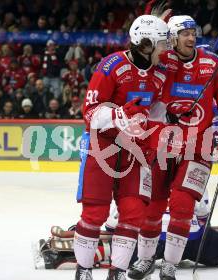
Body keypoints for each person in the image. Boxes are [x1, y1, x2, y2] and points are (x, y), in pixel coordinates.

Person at [128, 15, 218, 280]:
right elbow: (142, 82)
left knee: (182, 205)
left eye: (194, 33)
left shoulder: (212, 63)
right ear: (172, 37)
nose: (192, 37)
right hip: (161, 145)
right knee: (152, 206)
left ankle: (170, 264)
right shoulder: (161, 61)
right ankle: (145, 260)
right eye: (185, 33)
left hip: (198, 147)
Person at [74, 15, 168, 280]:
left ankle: (117, 272)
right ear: (146, 44)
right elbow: (89, 113)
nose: (166, 50)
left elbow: (157, 110)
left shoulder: (160, 73)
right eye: (162, 44)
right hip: (101, 146)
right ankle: (83, 271)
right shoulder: (111, 66)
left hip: (135, 150)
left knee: (134, 212)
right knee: (95, 212)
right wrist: (119, 116)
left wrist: (159, 131)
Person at [34, 197, 218, 271]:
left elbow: (115, 225)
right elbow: (204, 215)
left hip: (145, 240)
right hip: (190, 240)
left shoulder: (137, 171)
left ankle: (63, 256)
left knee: (119, 247)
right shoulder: (192, 166)